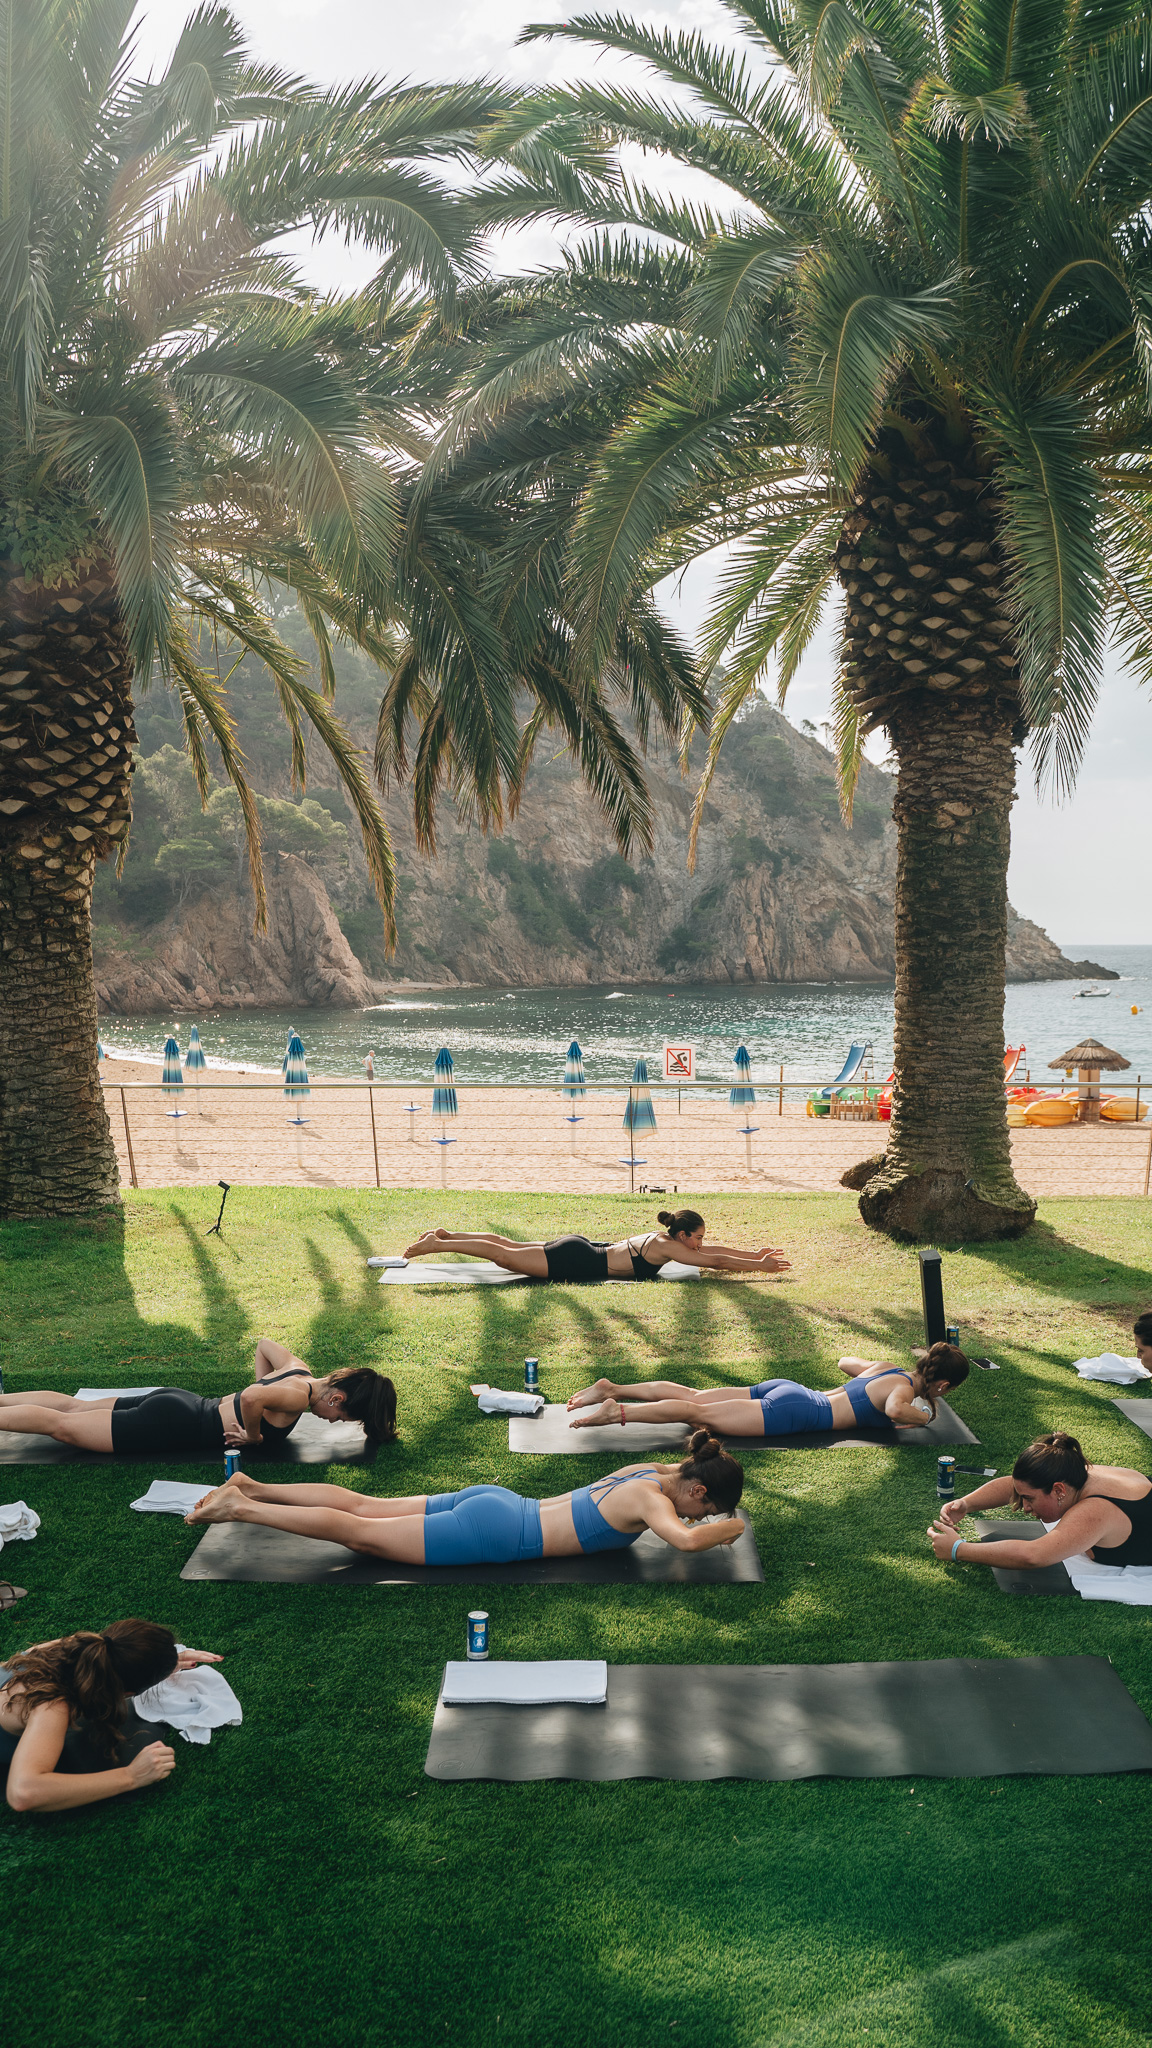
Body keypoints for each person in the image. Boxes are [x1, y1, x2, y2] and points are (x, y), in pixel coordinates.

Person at [185, 1430, 746, 1565]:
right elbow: (686, 1541)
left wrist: (721, 1504)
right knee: (359, 1532)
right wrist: (731, 1527)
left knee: (364, 1505)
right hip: (496, 1533)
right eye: (707, 1505)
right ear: (696, 1489)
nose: (700, 1514)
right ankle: (244, 1506)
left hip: (499, 1501)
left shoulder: (652, 1470)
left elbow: (687, 1507)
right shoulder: (656, 1502)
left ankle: (252, 1484)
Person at [0, 1337, 397, 1458]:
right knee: (62, 1426)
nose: (335, 1422)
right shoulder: (295, 1397)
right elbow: (254, 1400)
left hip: (180, 1403)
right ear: (337, 1398)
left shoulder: (297, 1369)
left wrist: (255, 1390)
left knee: (73, 1407)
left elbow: (264, 1345)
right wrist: (254, 1435)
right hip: (171, 1422)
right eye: (345, 1417)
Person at [1, 1622, 222, 1814]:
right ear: (126, 1693)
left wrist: (161, 1660)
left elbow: (119, 1656)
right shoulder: (52, 1705)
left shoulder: (73, 1646)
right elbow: (23, 1793)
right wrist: (131, 1776)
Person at [566, 1342, 969, 1438]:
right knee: (696, 1415)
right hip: (795, 1413)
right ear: (944, 1383)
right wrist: (927, 1413)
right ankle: (616, 1411)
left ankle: (612, 1387)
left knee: (692, 1396)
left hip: (791, 1390)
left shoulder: (887, 1368)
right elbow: (899, 1411)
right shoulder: (902, 1390)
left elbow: (846, 1363)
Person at [929, 1430, 1152, 1571]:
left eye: (1029, 1500)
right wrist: (967, 1503)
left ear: (1058, 1490)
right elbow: (1016, 1484)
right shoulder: (1073, 1470)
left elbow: (1033, 1556)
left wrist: (958, 1549)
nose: (1025, 1508)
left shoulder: (1096, 1510)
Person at [401, 1208, 791, 1283]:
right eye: (698, 1237)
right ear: (683, 1237)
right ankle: (437, 1246)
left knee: (507, 1244)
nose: (701, 1244)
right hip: (580, 1259)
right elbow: (716, 1261)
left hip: (584, 1248)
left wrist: (755, 1254)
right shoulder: (672, 1247)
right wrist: (760, 1268)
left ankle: (448, 1236)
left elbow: (716, 1251)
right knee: (504, 1257)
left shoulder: (668, 1240)